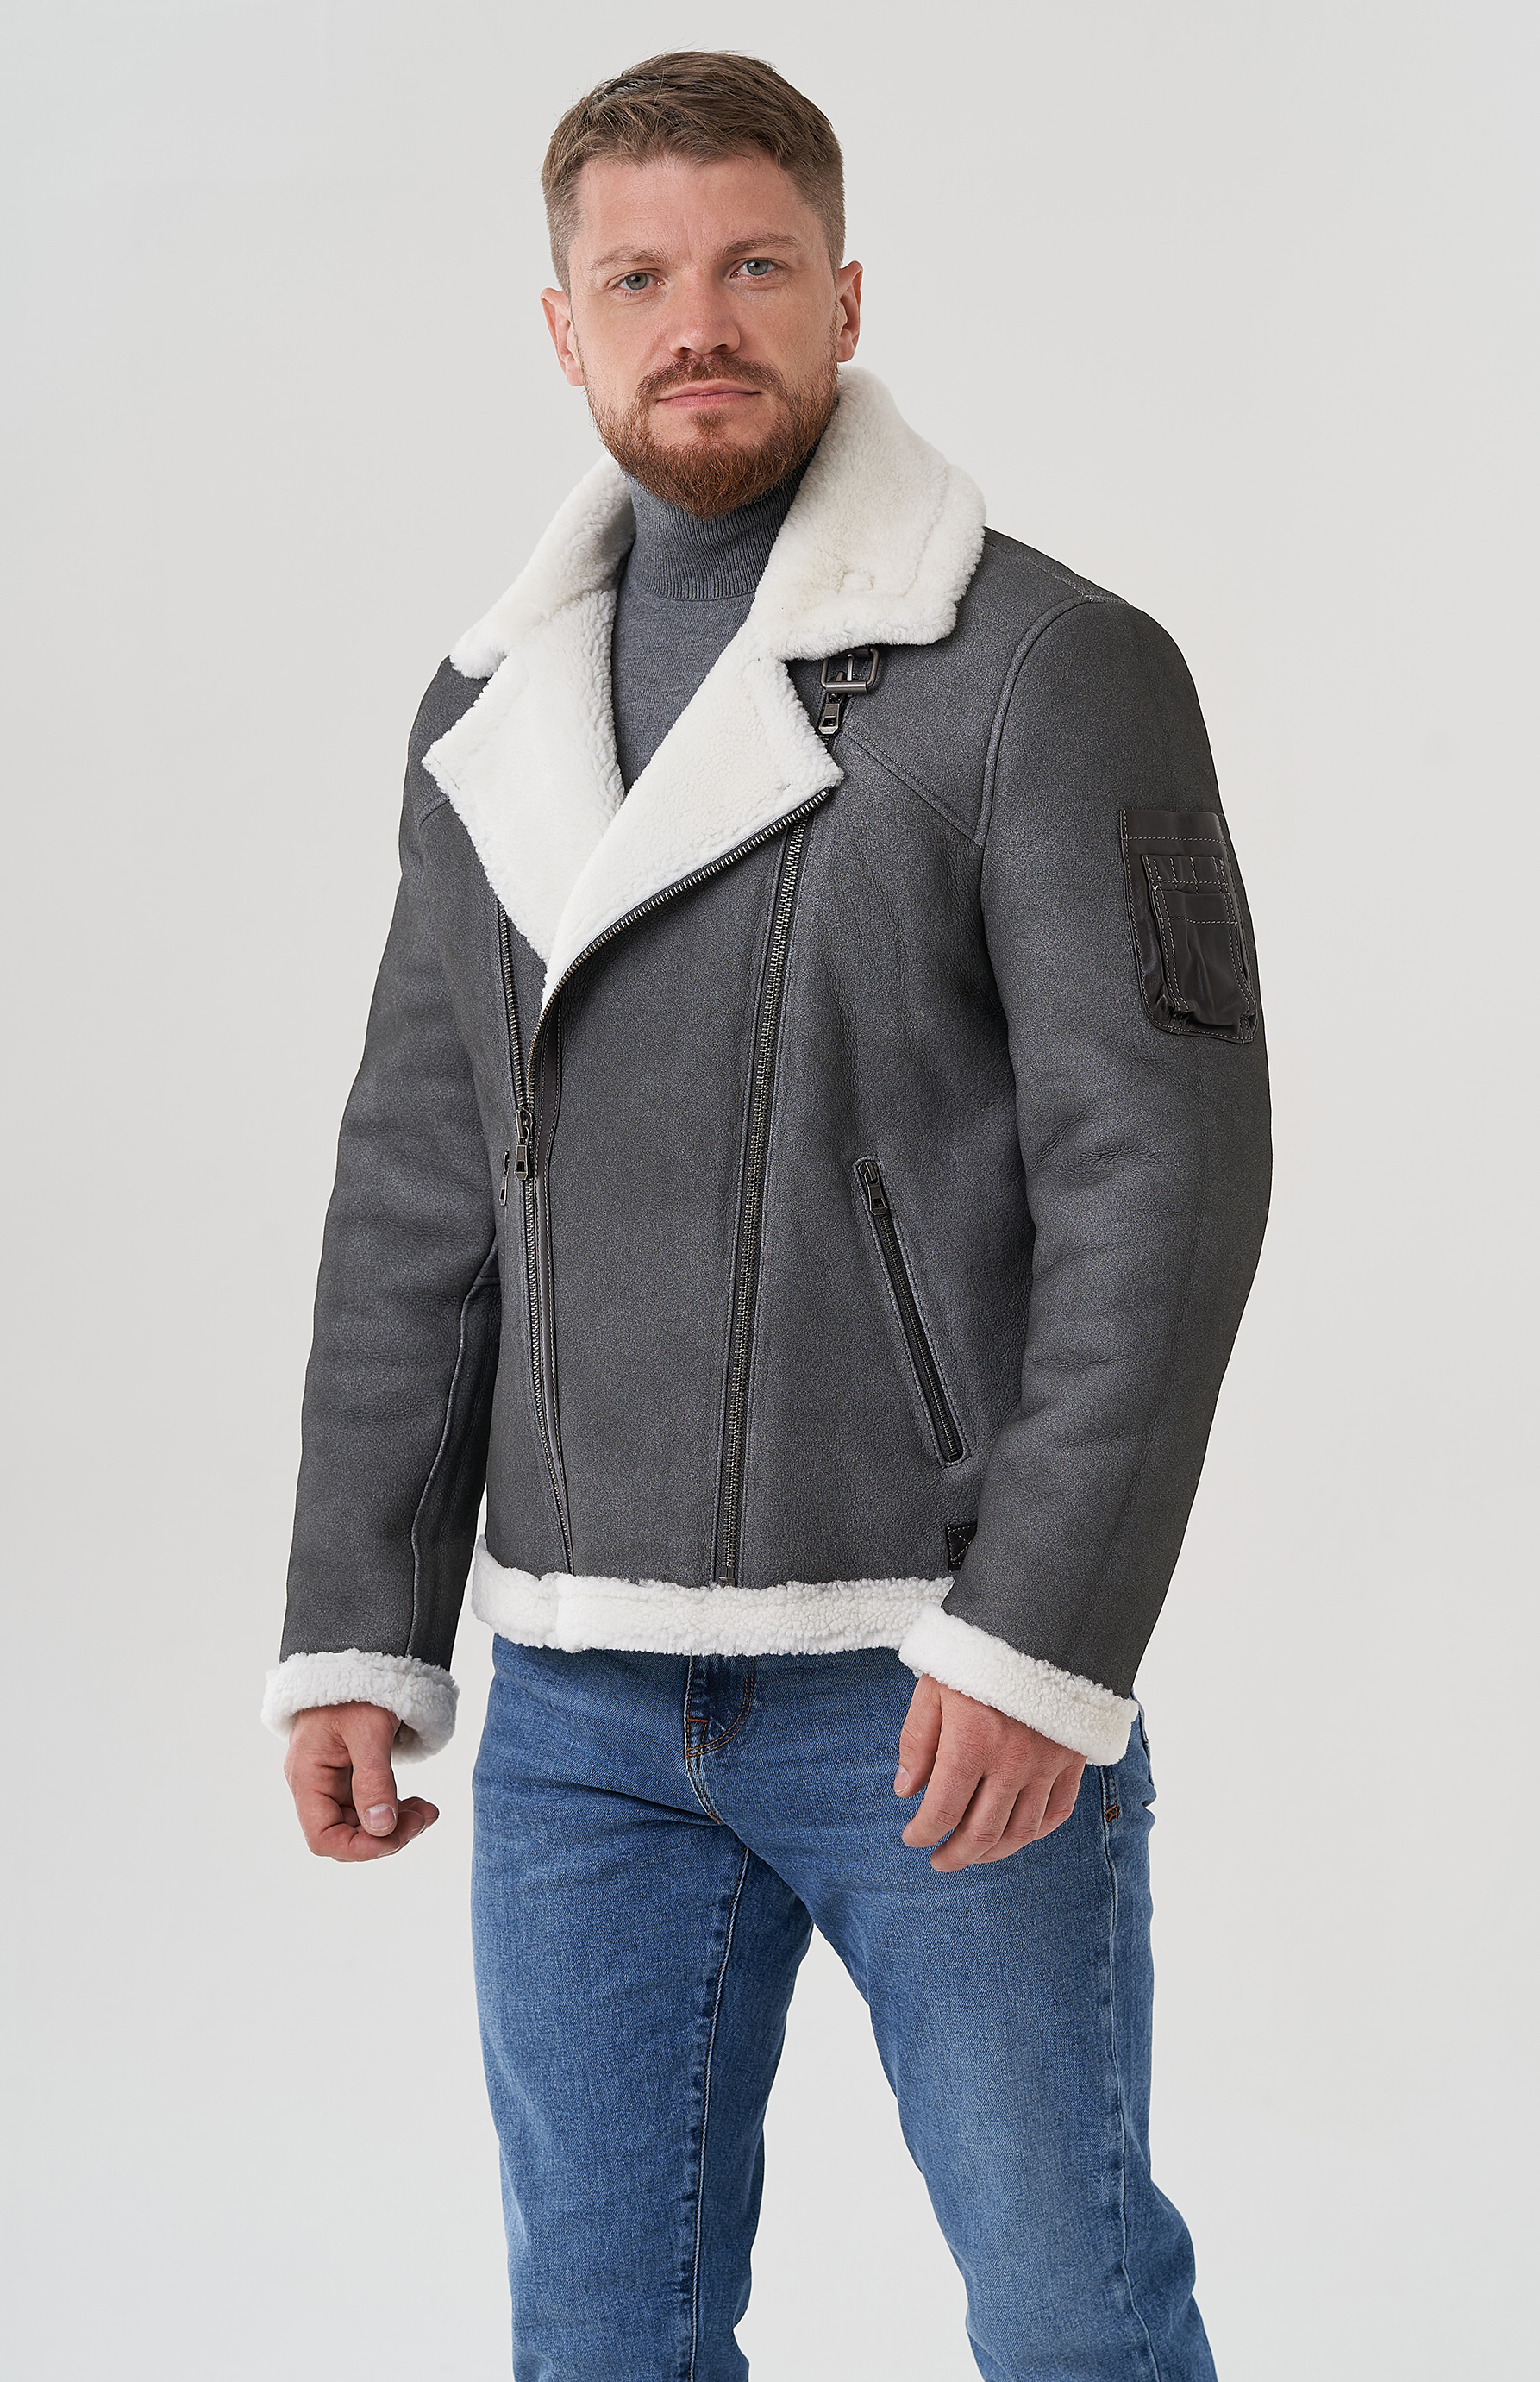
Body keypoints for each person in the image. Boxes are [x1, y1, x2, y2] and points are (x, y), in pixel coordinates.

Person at [263, 50, 1271, 2382]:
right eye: (637, 279)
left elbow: (1165, 1172)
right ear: (564, 326)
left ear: (843, 295)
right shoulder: (485, 709)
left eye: (750, 266)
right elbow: (418, 1172)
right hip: (576, 1703)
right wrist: (355, 1622)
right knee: (601, 2336)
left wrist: (1038, 1638)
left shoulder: (1047, 671)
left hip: (931, 1682)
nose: (696, 321)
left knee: (1071, 2314)